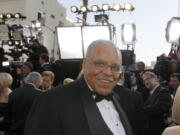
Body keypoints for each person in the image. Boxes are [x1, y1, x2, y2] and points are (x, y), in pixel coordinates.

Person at [24, 39, 145, 135]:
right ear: (84, 64)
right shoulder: (51, 101)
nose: (108, 73)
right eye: (100, 64)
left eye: (114, 67)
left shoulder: (123, 99)